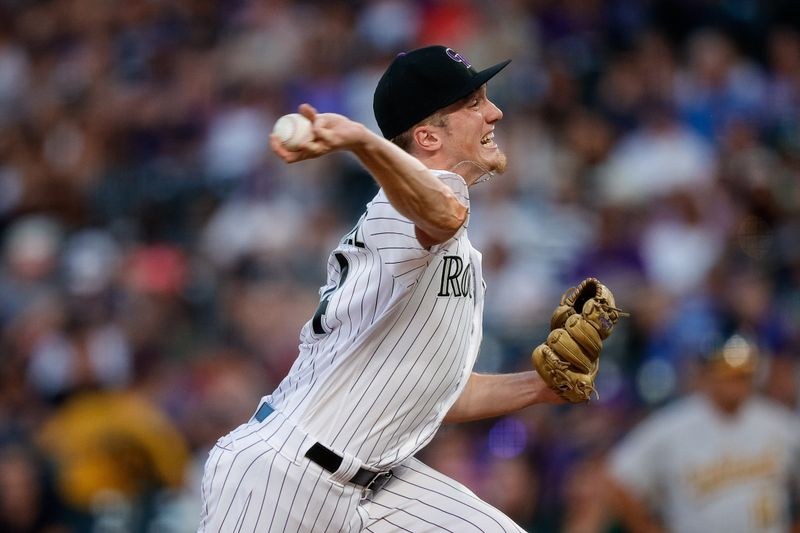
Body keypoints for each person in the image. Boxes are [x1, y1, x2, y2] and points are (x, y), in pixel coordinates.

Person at [197, 45, 573, 533]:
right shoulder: (402, 210)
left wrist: (537, 388)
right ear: (426, 136)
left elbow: (431, 392)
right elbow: (441, 212)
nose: (494, 111)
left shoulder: (452, 244)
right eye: (474, 101)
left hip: (383, 485)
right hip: (283, 479)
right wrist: (361, 142)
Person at [605, 334, 800, 533]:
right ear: (708, 373)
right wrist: (646, 527)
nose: (735, 381)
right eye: (728, 373)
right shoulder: (672, 426)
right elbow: (618, 478)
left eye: (742, 374)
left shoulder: (778, 422)